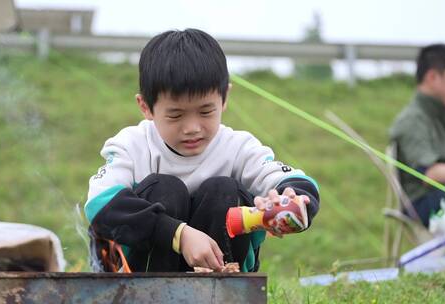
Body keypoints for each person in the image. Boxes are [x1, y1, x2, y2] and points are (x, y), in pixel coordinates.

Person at [84, 29, 320, 272]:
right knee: (164, 189)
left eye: (206, 112)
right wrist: (179, 234)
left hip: (222, 269)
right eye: (175, 115)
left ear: (224, 98)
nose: (192, 128)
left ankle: (226, 289)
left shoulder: (238, 147)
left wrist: (292, 202)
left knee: (222, 189)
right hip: (143, 276)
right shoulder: (132, 145)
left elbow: (297, 183)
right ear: (146, 106)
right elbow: (100, 206)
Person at [390, 44, 445, 227]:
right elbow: (431, 174)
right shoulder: (412, 119)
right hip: (422, 204)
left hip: (444, 195)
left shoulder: (440, 115)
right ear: (432, 77)